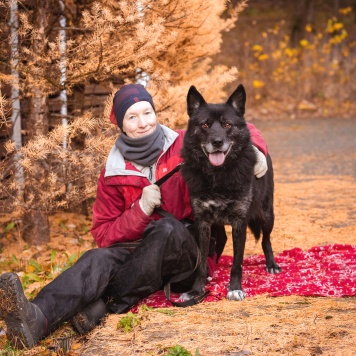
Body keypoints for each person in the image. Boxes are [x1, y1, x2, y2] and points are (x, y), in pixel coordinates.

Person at [0, 84, 269, 349]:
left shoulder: (184, 142)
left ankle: (104, 302)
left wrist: (257, 151)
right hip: (138, 252)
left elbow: (235, 125)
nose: (143, 123)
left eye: (147, 113)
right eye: (132, 116)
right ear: (121, 124)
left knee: (167, 230)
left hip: (187, 253)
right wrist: (140, 211)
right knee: (97, 258)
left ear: (155, 114)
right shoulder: (112, 172)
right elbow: (104, 235)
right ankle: (38, 318)